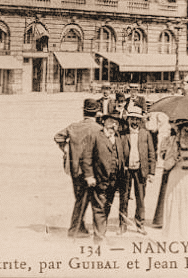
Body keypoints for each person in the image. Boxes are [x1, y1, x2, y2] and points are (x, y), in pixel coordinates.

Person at [53, 98, 102, 238]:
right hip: (91, 170)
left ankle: (80, 227)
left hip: (75, 168)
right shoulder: (98, 129)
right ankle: (74, 229)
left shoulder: (73, 126)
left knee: (80, 197)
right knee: (86, 200)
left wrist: (67, 150)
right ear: (96, 113)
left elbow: (58, 137)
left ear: (83, 112)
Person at [81, 110, 127, 244]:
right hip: (99, 180)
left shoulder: (117, 138)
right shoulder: (95, 136)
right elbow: (86, 157)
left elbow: (120, 158)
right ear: (104, 122)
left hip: (113, 182)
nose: (113, 124)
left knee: (106, 208)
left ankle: (100, 233)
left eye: (116, 122)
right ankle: (99, 239)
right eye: (111, 121)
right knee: (99, 209)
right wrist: (89, 176)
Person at [119, 104, 156, 235]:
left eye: (137, 119)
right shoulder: (122, 134)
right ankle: (122, 225)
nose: (134, 122)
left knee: (140, 198)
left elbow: (152, 153)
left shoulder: (146, 134)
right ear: (128, 119)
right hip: (126, 171)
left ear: (141, 121)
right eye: (132, 119)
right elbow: (117, 153)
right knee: (124, 198)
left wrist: (151, 172)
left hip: (141, 171)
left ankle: (140, 224)